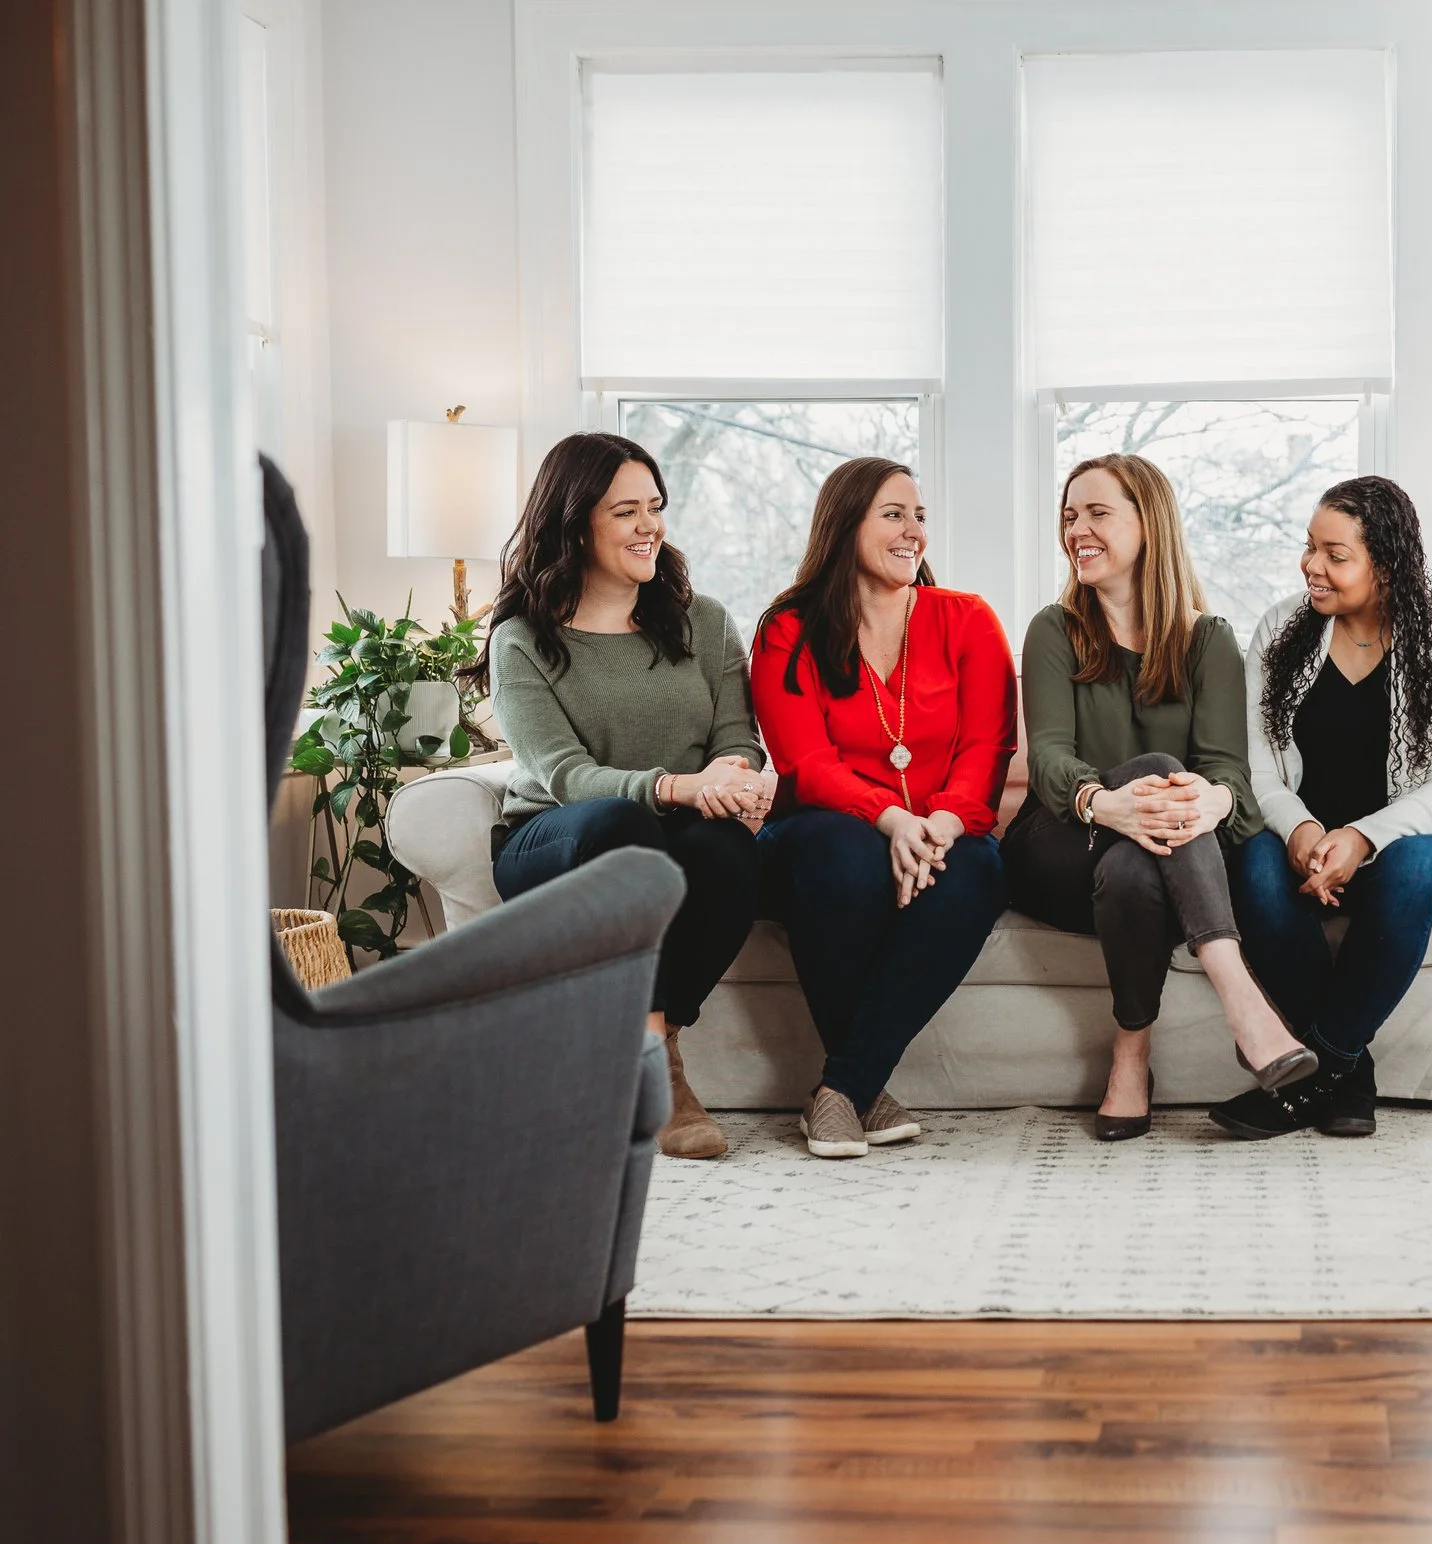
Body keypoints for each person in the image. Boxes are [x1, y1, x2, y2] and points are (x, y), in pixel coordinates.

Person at [468, 431, 771, 1161]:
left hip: (675, 833)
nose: (649, 526)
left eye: (656, 507)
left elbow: (739, 734)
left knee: (729, 852)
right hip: (559, 838)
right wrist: (680, 785)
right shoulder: (522, 638)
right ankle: (661, 1076)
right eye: (626, 511)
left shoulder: (704, 621)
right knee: (623, 823)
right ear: (575, 526)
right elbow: (564, 774)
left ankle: (651, 1044)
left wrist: (735, 781)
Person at [1004, 453, 1318, 1142]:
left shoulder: (1209, 640)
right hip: (1060, 848)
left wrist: (1212, 803)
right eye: (1068, 516)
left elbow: (1230, 777)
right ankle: (1245, 1002)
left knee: (1138, 861)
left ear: (1150, 524)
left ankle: (1130, 1057)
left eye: (1096, 512)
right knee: (1158, 769)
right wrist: (1102, 802)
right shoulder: (1053, 630)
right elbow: (1051, 758)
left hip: (1155, 868)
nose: (1076, 529)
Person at [750, 457, 1015, 1159]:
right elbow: (804, 762)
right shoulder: (788, 628)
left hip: (942, 830)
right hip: (822, 834)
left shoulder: (967, 618)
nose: (912, 532)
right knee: (842, 855)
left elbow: (989, 746)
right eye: (893, 514)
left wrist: (940, 825)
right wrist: (890, 820)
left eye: (919, 516)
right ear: (845, 524)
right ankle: (864, 1090)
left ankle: (842, 1088)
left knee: (980, 870)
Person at [1220, 475, 1432, 1140]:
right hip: (1305, 839)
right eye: (1310, 547)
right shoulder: (1282, 627)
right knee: (1252, 867)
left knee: (1409, 873)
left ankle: (1308, 1077)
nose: (1313, 565)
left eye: (1335, 555)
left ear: (1388, 562)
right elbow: (1257, 769)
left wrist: (1363, 839)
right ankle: (1350, 1077)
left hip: (1420, 845)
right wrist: (1306, 830)